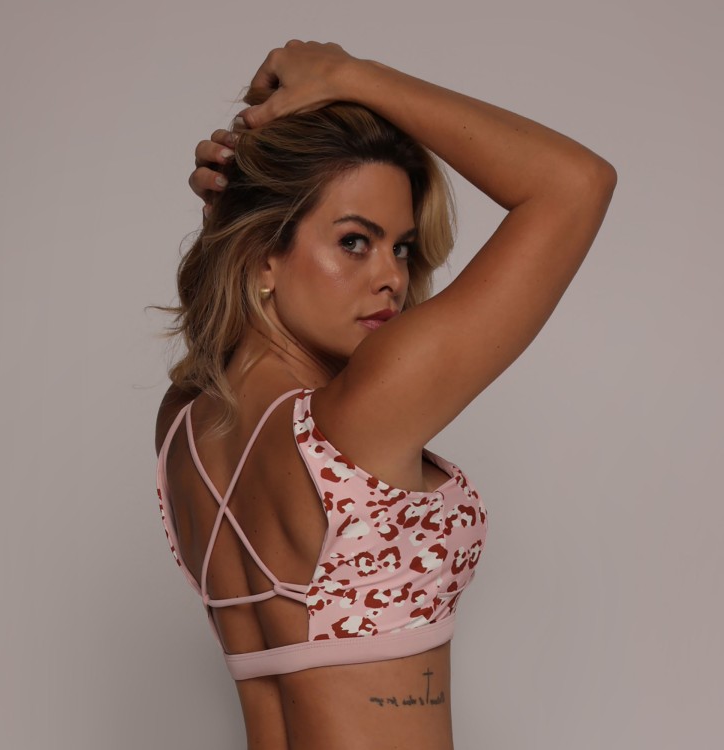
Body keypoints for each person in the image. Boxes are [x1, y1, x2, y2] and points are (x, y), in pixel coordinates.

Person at [154, 40, 616, 750]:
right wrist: (352, 76)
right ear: (262, 255)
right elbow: (576, 183)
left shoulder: (184, 424)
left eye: (399, 246)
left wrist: (236, 204)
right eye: (354, 242)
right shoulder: (358, 416)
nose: (392, 278)